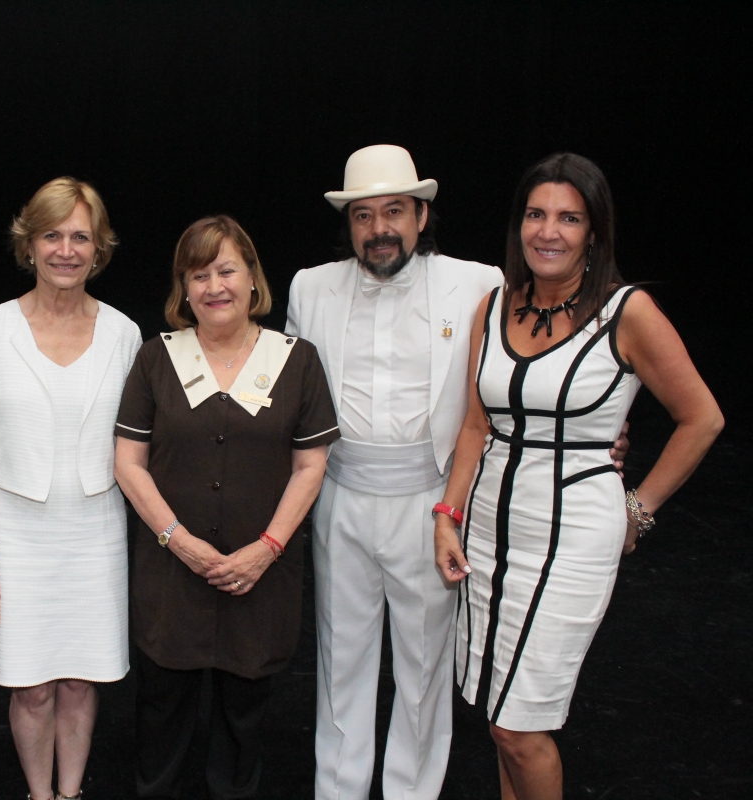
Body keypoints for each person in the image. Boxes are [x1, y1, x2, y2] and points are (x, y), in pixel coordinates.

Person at [284, 144, 629, 800]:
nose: (378, 227)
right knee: (340, 663)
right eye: (363, 215)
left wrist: (601, 433)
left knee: (422, 673)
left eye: (393, 211)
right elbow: (291, 395)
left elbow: (539, 369)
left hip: (434, 502)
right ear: (348, 223)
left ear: (421, 214)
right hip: (340, 499)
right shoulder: (310, 287)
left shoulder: (479, 284)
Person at [433, 153, 722, 799]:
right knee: (496, 713)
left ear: (595, 231)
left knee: (519, 726)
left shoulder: (628, 312)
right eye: (536, 214)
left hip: (572, 537)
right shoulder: (494, 305)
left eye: (569, 217)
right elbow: (476, 425)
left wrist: (637, 509)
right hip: (487, 531)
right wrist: (447, 516)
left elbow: (701, 418)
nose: (549, 231)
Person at [114, 215, 340, 800]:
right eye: (198, 274)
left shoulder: (297, 360)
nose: (214, 286)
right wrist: (180, 542)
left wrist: (266, 550)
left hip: (259, 580)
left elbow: (310, 466)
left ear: (252, 279)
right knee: (160, 727)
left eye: (226, 270)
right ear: (182, 289)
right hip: (170, 577)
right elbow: (128, 464)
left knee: (243, 732)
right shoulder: (156, 359)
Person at [0, 177, 142, 800]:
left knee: (82, 682)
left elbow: (138, 449)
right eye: (52, 235)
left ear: (99, 248)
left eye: (80, 237)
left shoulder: (124, 334)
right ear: (28, 244)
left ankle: (72, 792)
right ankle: (39, 794)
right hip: (14, 537)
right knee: (31, 686)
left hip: (95, 533)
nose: (66, 249)